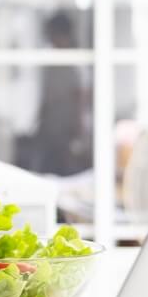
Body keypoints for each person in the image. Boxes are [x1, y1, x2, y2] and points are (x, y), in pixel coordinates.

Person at [30, 11, 90, 176]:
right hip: (50, 126)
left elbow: (81, 95)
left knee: (67, 167)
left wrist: (78, 129)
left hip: (67, 128)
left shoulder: (76, 61)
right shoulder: (53, 59)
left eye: (53, 35)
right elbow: (47, 94)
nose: (51, 40)